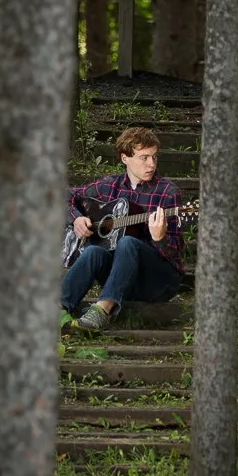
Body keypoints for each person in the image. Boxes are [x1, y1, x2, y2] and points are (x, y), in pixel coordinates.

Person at [60, 126, 185, 332]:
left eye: (154, 157)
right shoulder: (110, 186)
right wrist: (76, 218)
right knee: (93, 251)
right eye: (144, 158)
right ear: (125, 158)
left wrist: (160, 238)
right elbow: (67, 195)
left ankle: (102, 310)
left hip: (156, 281)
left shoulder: (168, 192)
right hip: (120, 278)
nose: (151, 164)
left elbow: (175, 255)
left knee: (127, 243)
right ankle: (59, 308)